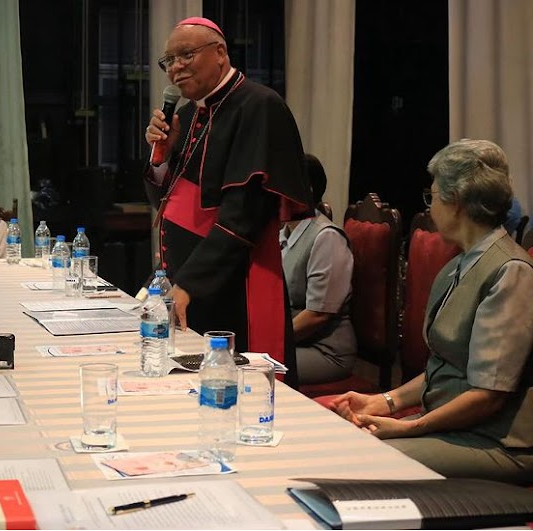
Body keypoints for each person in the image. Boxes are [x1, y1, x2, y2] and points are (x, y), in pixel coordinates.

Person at [332, 139, 533, 484]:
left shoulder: (510, 271)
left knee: (360, 460)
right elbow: (445, 366)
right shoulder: (461, 263)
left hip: (496, 442)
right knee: (341, 442)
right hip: (453, 426)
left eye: (433, 196)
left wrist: (409, 427)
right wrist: (385, 401)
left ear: (456, 204)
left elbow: (489, 396)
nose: (430, 205)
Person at [143, 17, 311, 371]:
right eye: (169, 60)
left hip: (237, 283)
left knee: (237, 392)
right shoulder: (188, 116)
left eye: (185, 54)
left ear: (220, 52)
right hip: (192, 281)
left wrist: (190, 284)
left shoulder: (259, 106)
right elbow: (169, 201)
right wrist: (162, 156)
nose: (175, 67)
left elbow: (244, 214)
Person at [281, 155, 356, 385]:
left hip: (326, 351)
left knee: (252, 369)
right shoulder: (283, 233)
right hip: (296, 344)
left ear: (306, 190)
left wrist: (271, 339)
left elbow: (318, 315)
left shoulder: (327, 237)